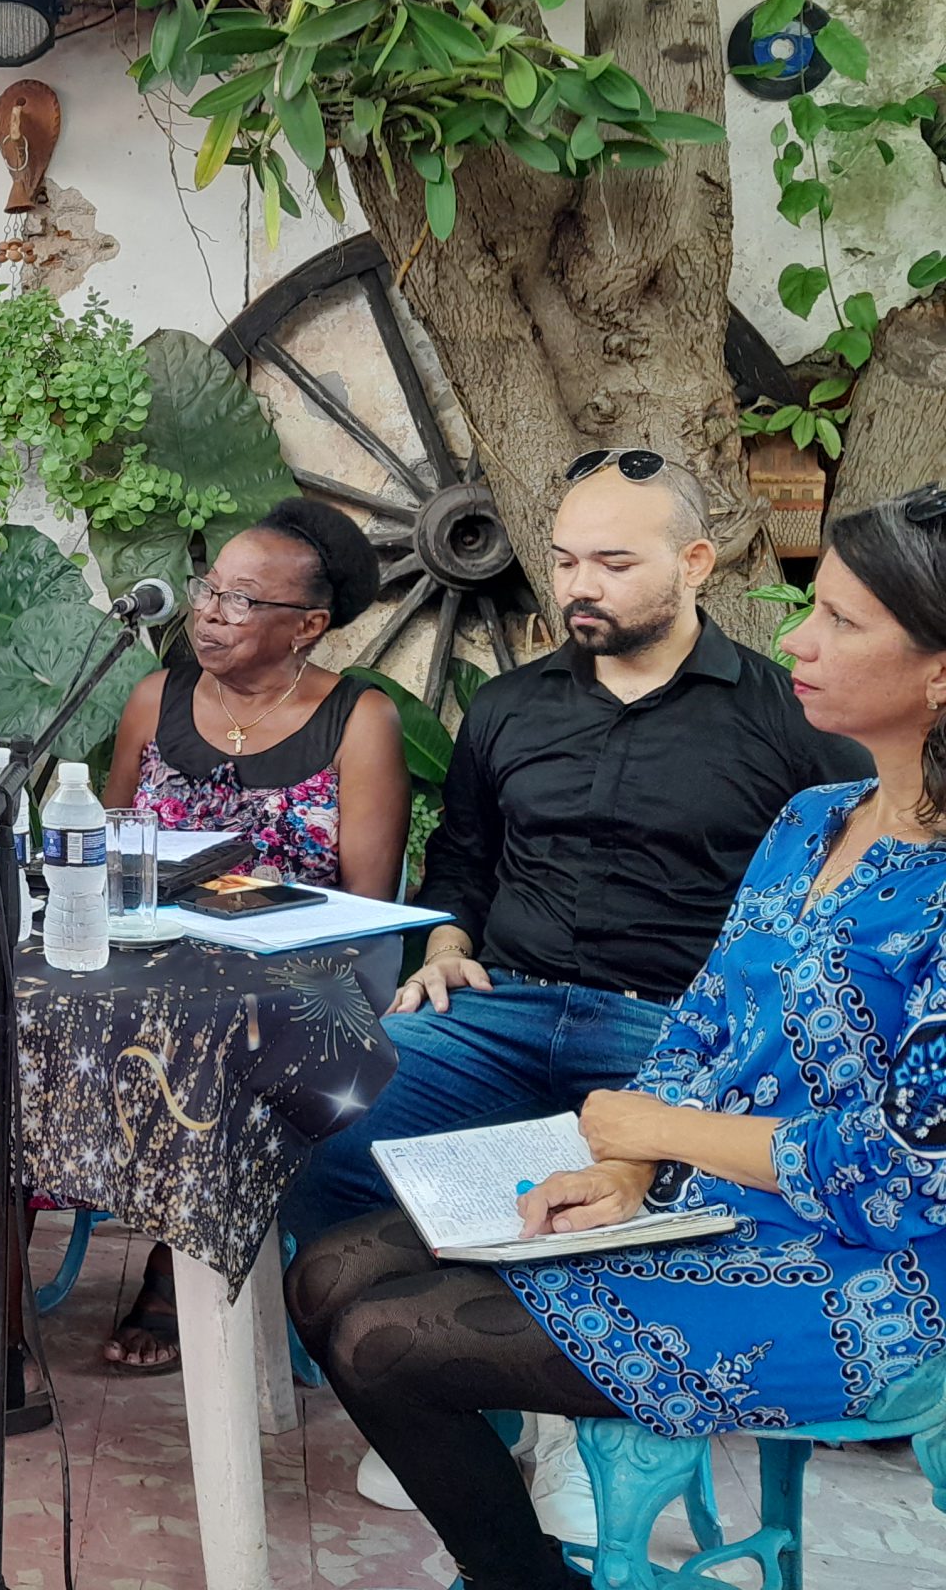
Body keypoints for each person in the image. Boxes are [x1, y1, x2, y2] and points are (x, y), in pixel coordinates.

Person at [287, 484, 946, 1590]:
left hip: (871, 1282)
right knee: (329, 1270)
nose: (798, 637)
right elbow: (705, 1019)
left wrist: (661, 1129)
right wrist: (630, 1162)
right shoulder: (810, 823)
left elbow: (910, 1175)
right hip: (710, 1202)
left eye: (839, 619)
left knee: (382, 1341)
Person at [0, 498, 408, 1446]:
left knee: (197, 1056)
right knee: (3, 1050)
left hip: (277, 989)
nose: (210, 613)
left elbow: (366, 911)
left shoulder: (358, 719)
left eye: (243, 601)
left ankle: (177, 1261)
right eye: (209, 590)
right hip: (143, 967)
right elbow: (100, 848)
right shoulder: (151, 701)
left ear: (309, 626)